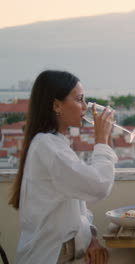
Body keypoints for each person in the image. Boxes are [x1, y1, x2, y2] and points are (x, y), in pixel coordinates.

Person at [8, 70, 118, 264]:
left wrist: (91, 238)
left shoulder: (55, 143)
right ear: (56, 105)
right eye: (79, 99)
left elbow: (76, 202)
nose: (86, 107)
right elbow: (99, 186)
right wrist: (101, 141)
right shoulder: (47, 146)